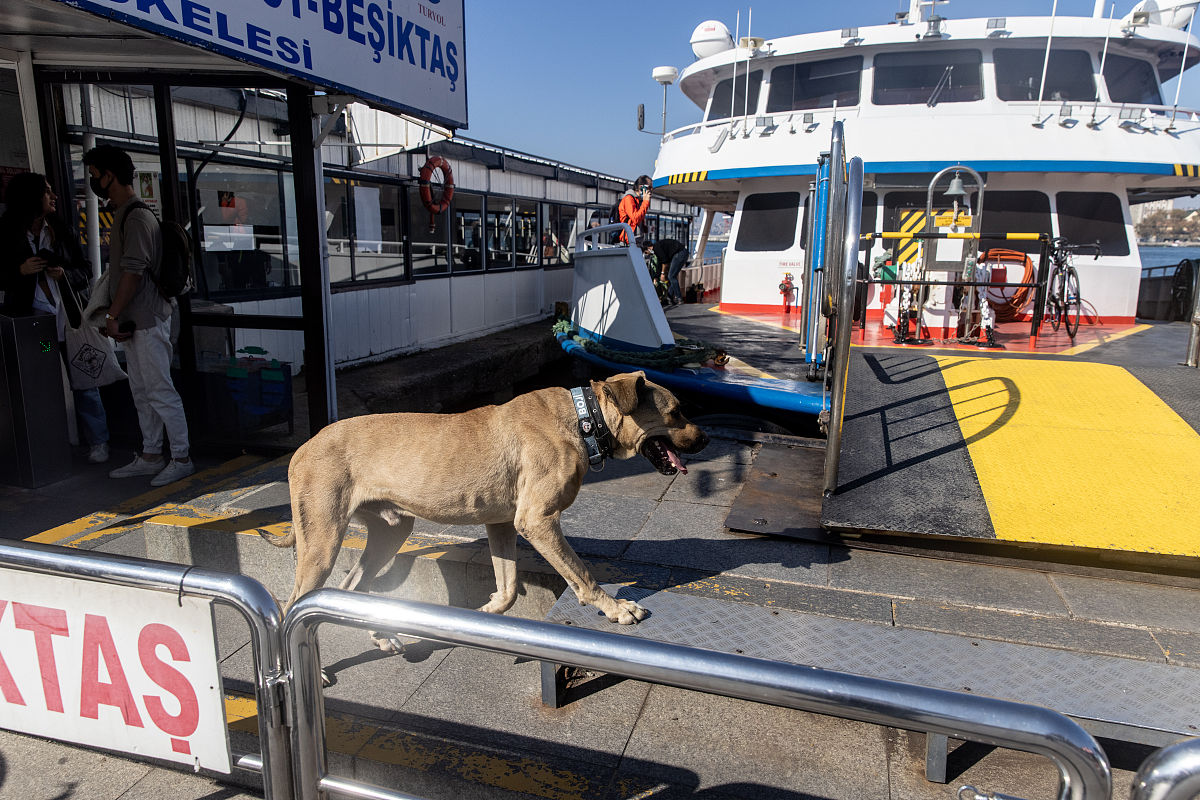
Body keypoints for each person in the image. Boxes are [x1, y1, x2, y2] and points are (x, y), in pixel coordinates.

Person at [83, 144, 194, 486]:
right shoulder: (127, 214)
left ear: (109, 176)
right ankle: (151, 454)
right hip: (137, 321)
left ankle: (181, 457)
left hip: (147, 319)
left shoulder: (136, 217)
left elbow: (132, 273)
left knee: (159, 391)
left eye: (94, 174)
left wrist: (112, 315)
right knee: (143, 392)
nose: (92, 181)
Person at [0, 171, 111, 463]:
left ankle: (98, 441)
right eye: (47, 191)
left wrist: (64, 274)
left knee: (84, 378)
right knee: (44, 380)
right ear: (30, 197)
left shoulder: (61, 230)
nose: (54, 196)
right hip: (35, 325)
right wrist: (20, 271)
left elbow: (85, 270)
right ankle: (51, 445)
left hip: (69, 322)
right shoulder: (7, 232)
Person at [653, 237, 690, 305]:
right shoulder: (658, 247)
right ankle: (669, 297)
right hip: (682, 253)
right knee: (672, 277)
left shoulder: (656, 248)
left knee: (671, 277)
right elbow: (660, 263)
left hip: (680, 254)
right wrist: (656, 276)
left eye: (646, 252)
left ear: (648, 248)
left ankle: (679, 298)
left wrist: (662, 274)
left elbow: (665, 262)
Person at [617, 175, 652, 246]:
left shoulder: (638, 201)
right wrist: (646, 201)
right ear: (642, 187)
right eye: (650, 187)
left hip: (636, 240)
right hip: (628, 241)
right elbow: (635, 218)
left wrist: (644, 228)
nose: (651, 190)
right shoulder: (629, 199)